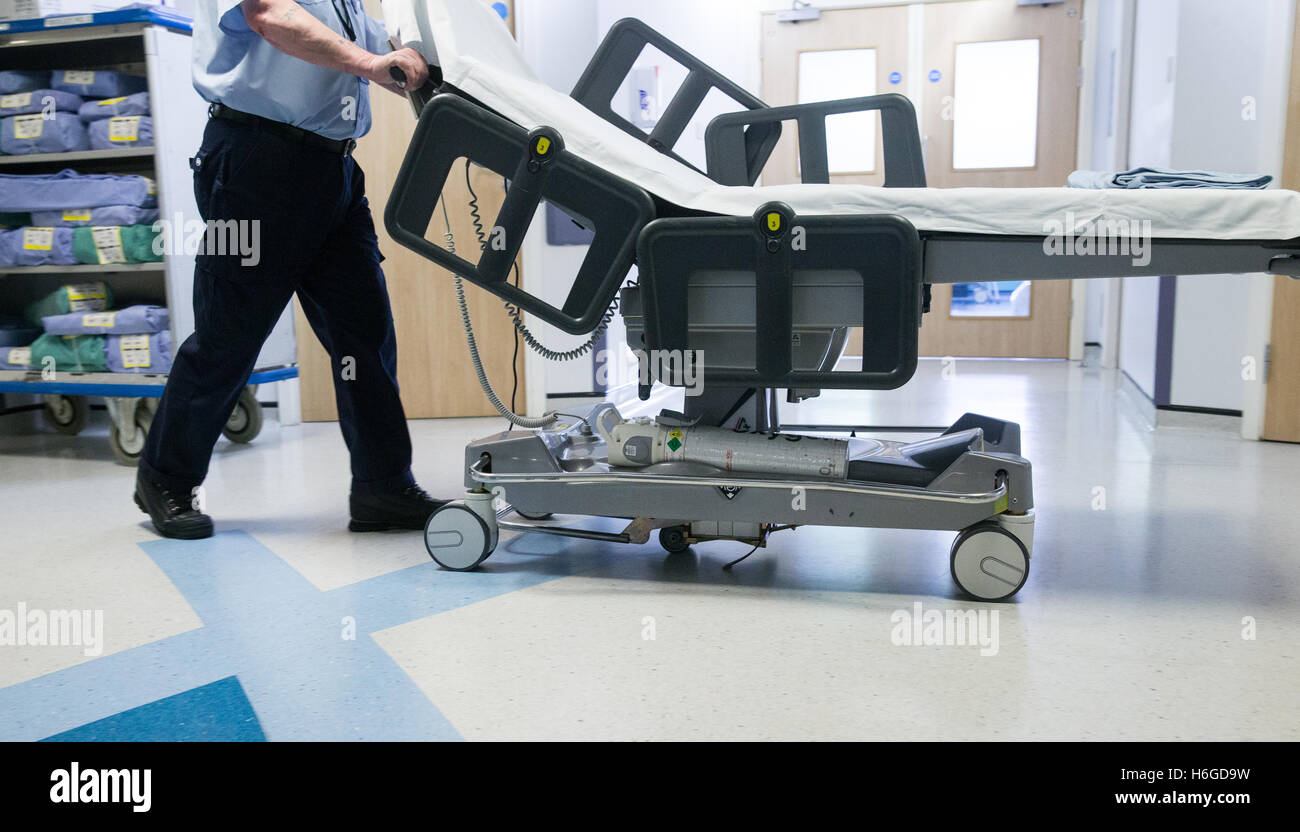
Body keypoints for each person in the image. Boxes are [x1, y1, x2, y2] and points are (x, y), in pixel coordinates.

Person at [134, 0, 441, 539]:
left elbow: (374, 40)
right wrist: (370, 65)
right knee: (229, 335)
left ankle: (382, 486)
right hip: (256, 163)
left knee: (363, 336)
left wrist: (411, 55)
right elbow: (269, 15)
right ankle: (165, 479)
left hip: (334, 169)